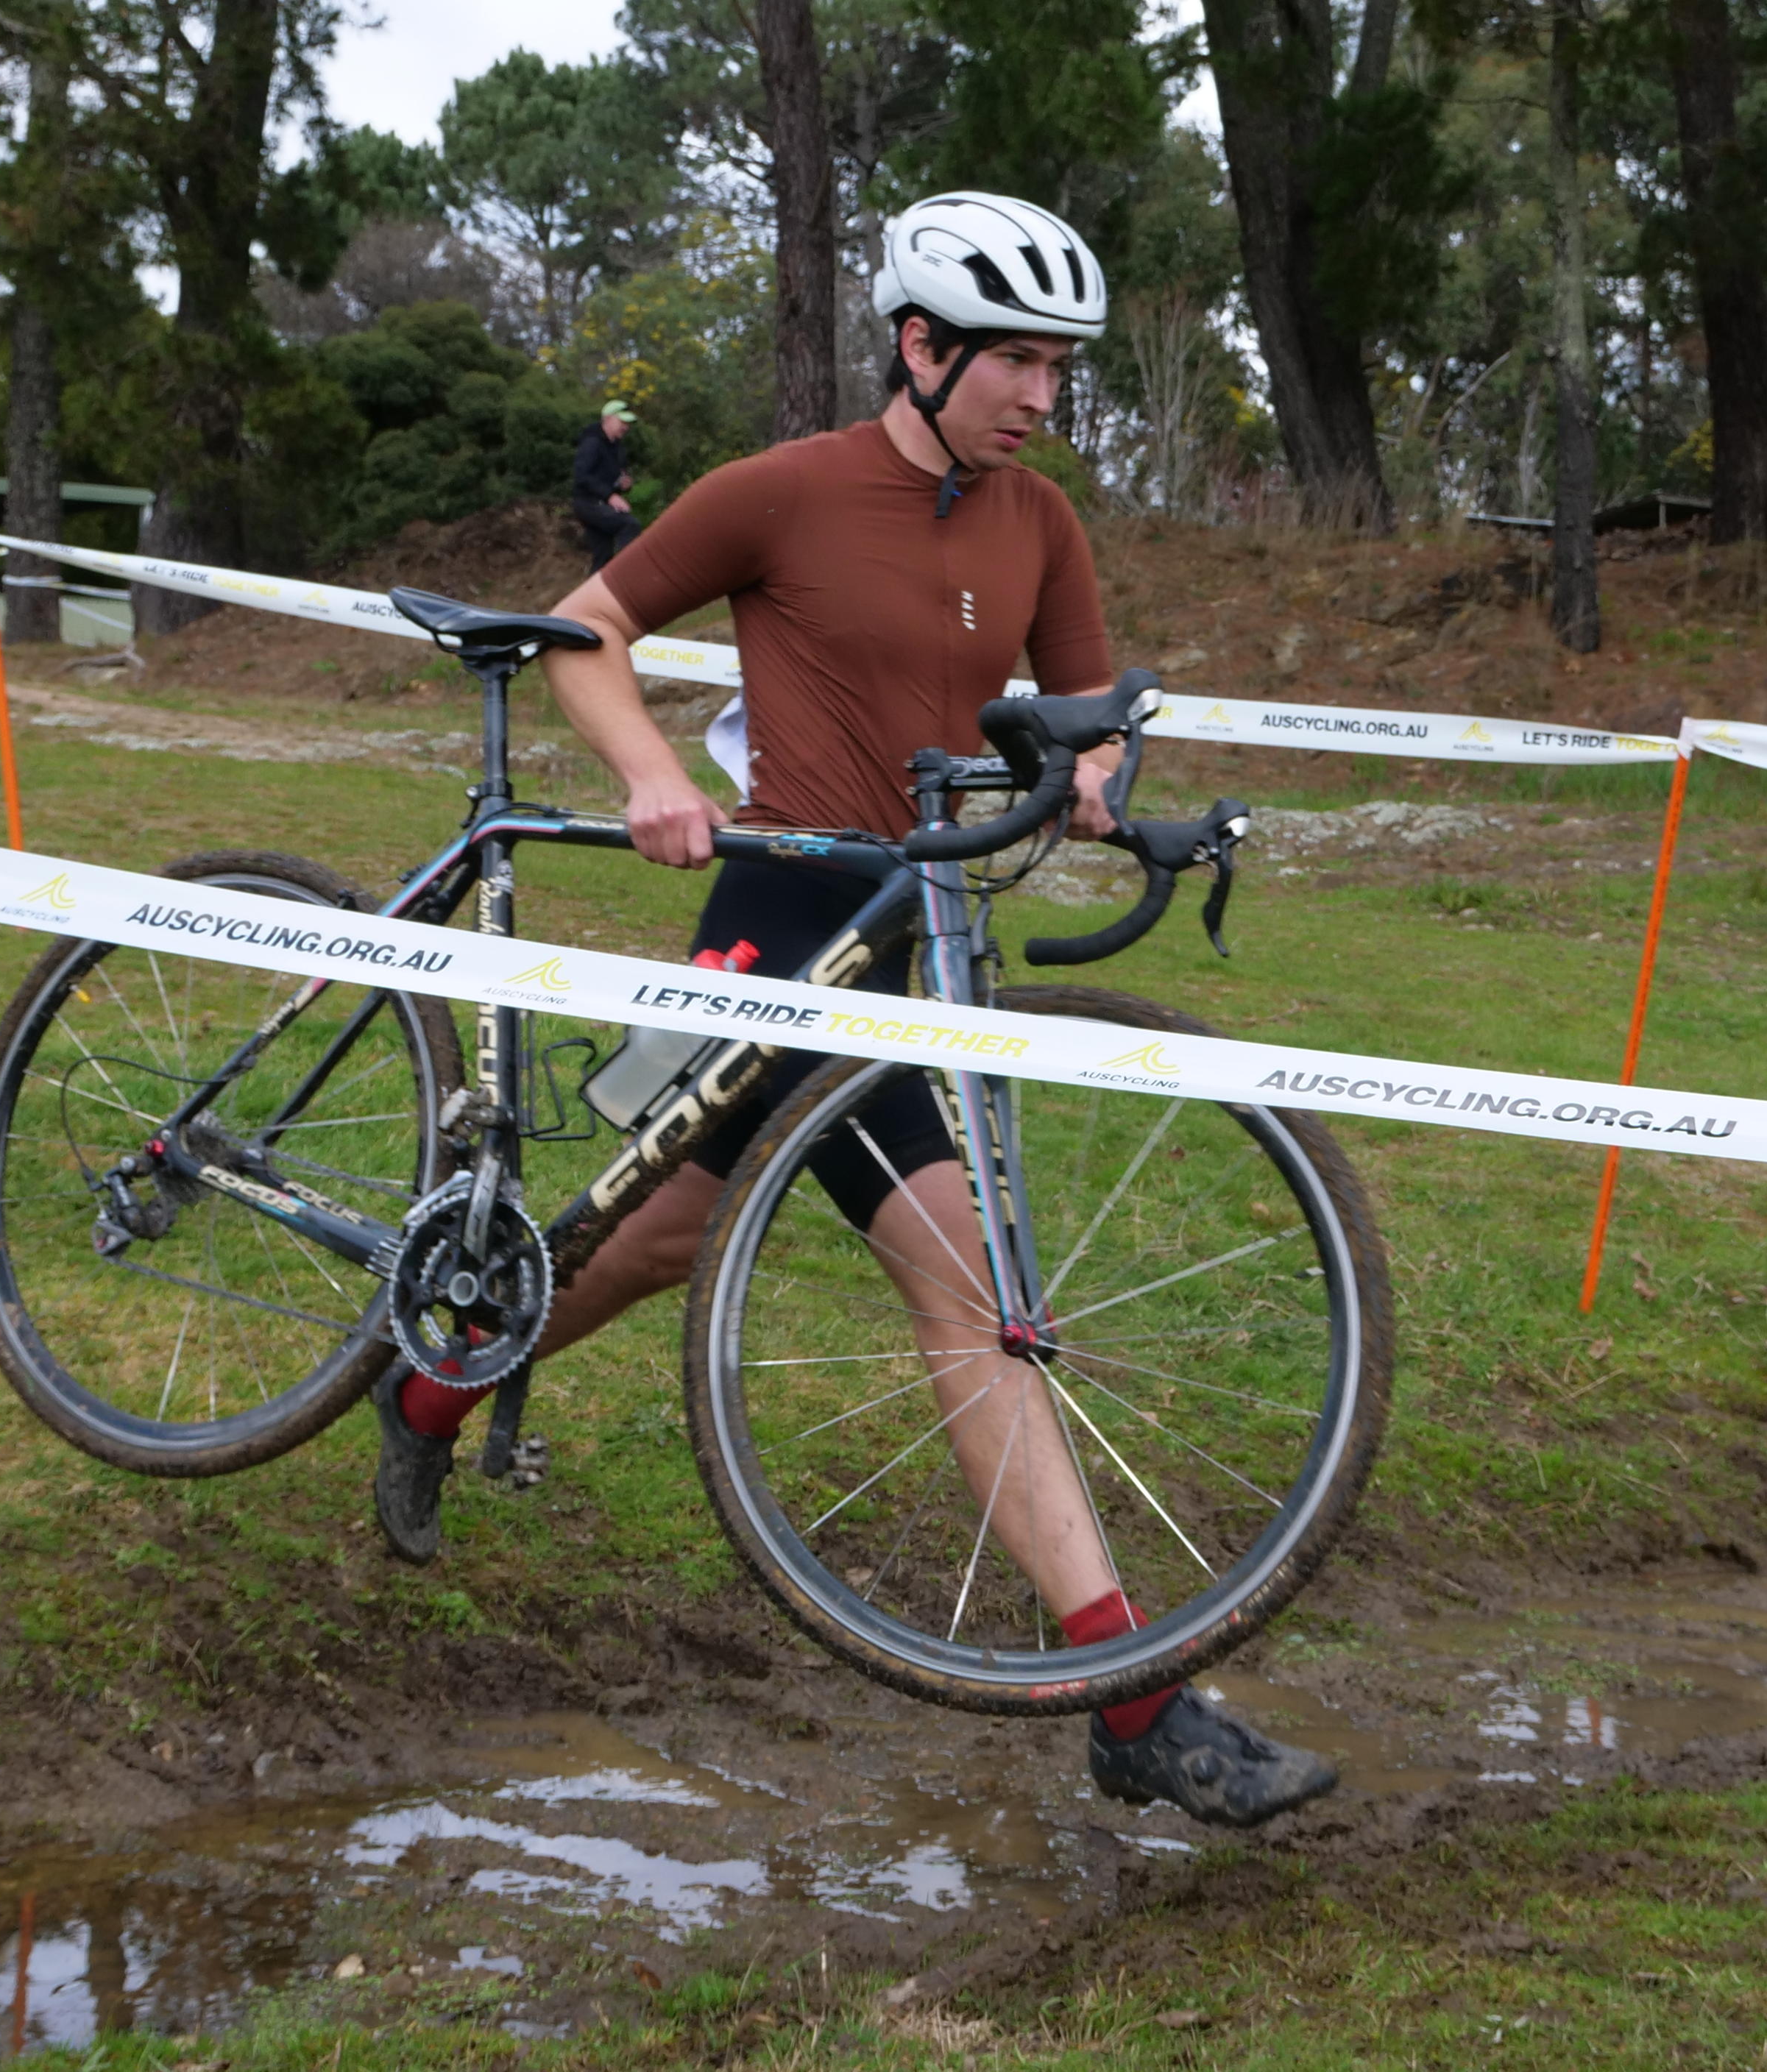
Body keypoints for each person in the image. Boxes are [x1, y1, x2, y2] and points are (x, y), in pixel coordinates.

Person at [371, 192, 1339, 1831]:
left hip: (917, 929)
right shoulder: (786, 490)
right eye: (1017, 360)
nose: (1042, 395)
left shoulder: (1041, 524)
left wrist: (1098, 782)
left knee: (672, 1231)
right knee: (962, 1288)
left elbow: (1087, 719)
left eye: (1058, 366)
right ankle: (1134, 1699)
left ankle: (431, 1386)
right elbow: (588, 631)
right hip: (782, 915)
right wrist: (658, 774)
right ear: (921, 343)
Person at [573, 402, 642, 571]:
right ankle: (627, 574)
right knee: (629, 525)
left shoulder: (618, 449)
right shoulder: (592, 443)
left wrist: (624, 485)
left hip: (602, 503)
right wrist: (610, 496)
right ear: (608, 419)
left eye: (628, 424)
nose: (626, 427)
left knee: (603, 557)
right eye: (622, 422)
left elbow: (616, 480)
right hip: (588, 503)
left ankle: (592, 596)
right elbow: (582, 476)